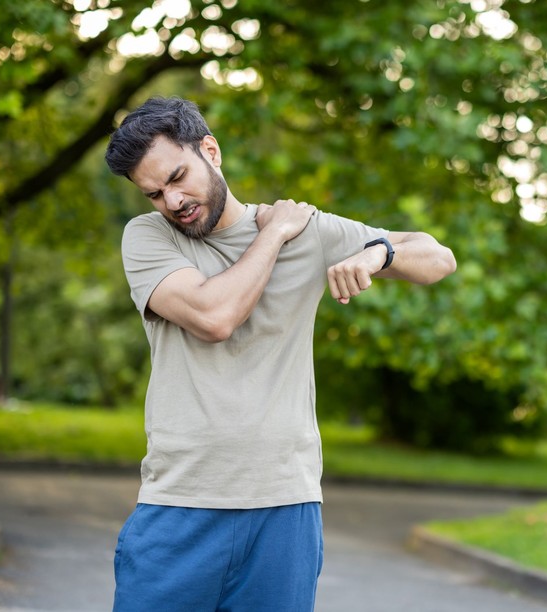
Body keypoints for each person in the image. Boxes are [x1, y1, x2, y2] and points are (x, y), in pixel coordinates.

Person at [104, 96, 456, 612]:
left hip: (285, 509)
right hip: (180, 506)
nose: (173, 201)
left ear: (211, 151)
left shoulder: (309, 232)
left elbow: (438, 258)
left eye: (178, 177)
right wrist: (273, 235)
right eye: (154, 193)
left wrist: (379, 254)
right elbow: (214, 317)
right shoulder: (149, 236)